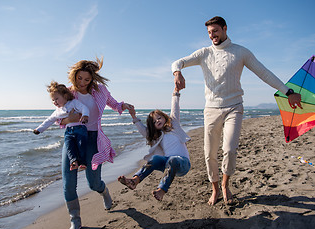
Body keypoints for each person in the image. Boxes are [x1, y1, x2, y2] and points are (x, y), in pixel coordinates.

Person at [171, 16, 302, 206]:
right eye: (209, 33)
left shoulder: (241, 52)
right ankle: (215, 188)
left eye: (215, 31)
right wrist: (177, 73)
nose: (212, 35)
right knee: (209, 153)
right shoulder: (204, 53)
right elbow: (177, 62)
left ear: (224, 29)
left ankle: (225, 184)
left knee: (230, 149)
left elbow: (264, 73)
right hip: (211, 109)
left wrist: (287, 92)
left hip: (234, 107)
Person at [59, 58, 132, 229]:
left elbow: (114, 104)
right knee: (68, 183)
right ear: (74, 77)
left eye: (86, 79)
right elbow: (60, 119)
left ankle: (104, 191)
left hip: (93, 139)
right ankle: (75, 220)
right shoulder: (68, 94)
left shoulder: (100, 91)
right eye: (79, 79)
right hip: (73, 139)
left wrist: (125, 105)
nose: (82, 83)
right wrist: (72, 119)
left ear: (92, 79)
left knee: (93, 182)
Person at [118, 87, 191, 201]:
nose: (157, 120)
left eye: (159, 117)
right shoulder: (157, 137)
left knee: (172, 160)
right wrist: (133, 116)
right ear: (153, 126)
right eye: (154, 121)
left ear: (164, 117)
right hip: (168, 164)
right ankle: (135, 181)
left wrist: (176, 93)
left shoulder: (174, 125)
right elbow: (143, 130)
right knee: (155, 158)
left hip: (183, 163)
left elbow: (175, 108)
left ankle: (162, 190)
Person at [33, 81, 89, 170]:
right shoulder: (57, 111)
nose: (55, 102)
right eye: (53, 100)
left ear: (65, 96)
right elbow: (50, 120)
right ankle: (74, 162)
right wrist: (39, 129)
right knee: (69, 146)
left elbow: (84, 108)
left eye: (56, 99)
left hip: (80, 128)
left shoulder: (73, 103)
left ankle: (83, 163)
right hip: (68, 131)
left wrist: (85, 115)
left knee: (81, 145)